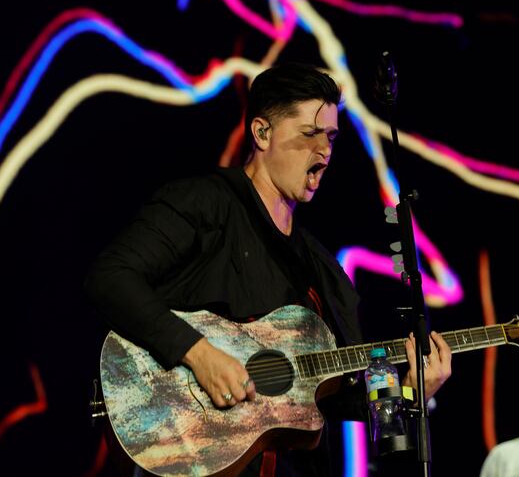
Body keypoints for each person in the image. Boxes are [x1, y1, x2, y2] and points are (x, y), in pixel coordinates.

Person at [85, 62, 452, 476]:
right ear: (262, 133)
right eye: (309, 135)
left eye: (331, 138)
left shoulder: (322, 272)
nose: (325, 152)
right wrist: (199, 353)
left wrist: (412, 387)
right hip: (192, 456)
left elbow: (339, 396)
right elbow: (110, 277)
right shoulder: (204, 204)